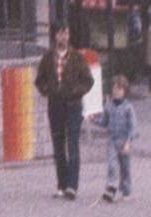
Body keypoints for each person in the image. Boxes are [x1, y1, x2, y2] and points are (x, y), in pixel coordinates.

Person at [35, 23, 94, 199]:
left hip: (73, 105)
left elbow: (88, 81)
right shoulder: (47, 58)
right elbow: (39, 80)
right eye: (61, 33)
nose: (64, 36)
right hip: (55, 105)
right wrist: (49, 90)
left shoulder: (77, 57)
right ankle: (61, 184)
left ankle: (72, 186)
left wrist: (76, 91)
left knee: (73, 144)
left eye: (66, 33)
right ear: (55, 36)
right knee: (58, 145)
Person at [96, 74, 137, 203]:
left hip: (124, 140)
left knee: (125, 168)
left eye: (119, 89)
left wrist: (128, 142)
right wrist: (94, 120)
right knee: (112, 164)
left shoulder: (128, 107)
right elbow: (104, 122)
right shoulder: (108, 105)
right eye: (115, 88)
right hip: (112, 140)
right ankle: (112, 187)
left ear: (124, 92)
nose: (116, 91)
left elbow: (132, 127)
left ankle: (126, 190)